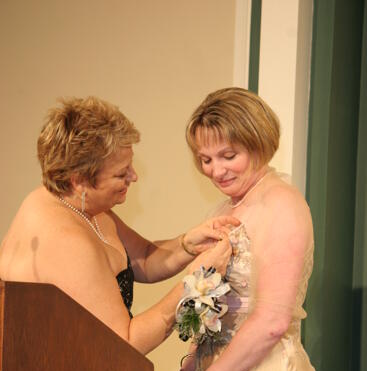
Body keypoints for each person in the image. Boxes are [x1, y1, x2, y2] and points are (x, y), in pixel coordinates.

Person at [0, 96, 239, 355]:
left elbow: (143, 260)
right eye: (120, 173)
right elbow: (123, 344)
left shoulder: (83, 205)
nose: (133, 177)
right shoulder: (64, 240)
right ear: (79, 180)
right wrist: (196, 281)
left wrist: (187, 245)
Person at [176, 88, 322, 371]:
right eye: (205, 159)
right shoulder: (223, 209)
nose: (215, 170)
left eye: (228, 155)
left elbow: (273, 320)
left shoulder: (282, 205)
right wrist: (191, 366)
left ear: (258, 142)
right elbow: (210, 303)